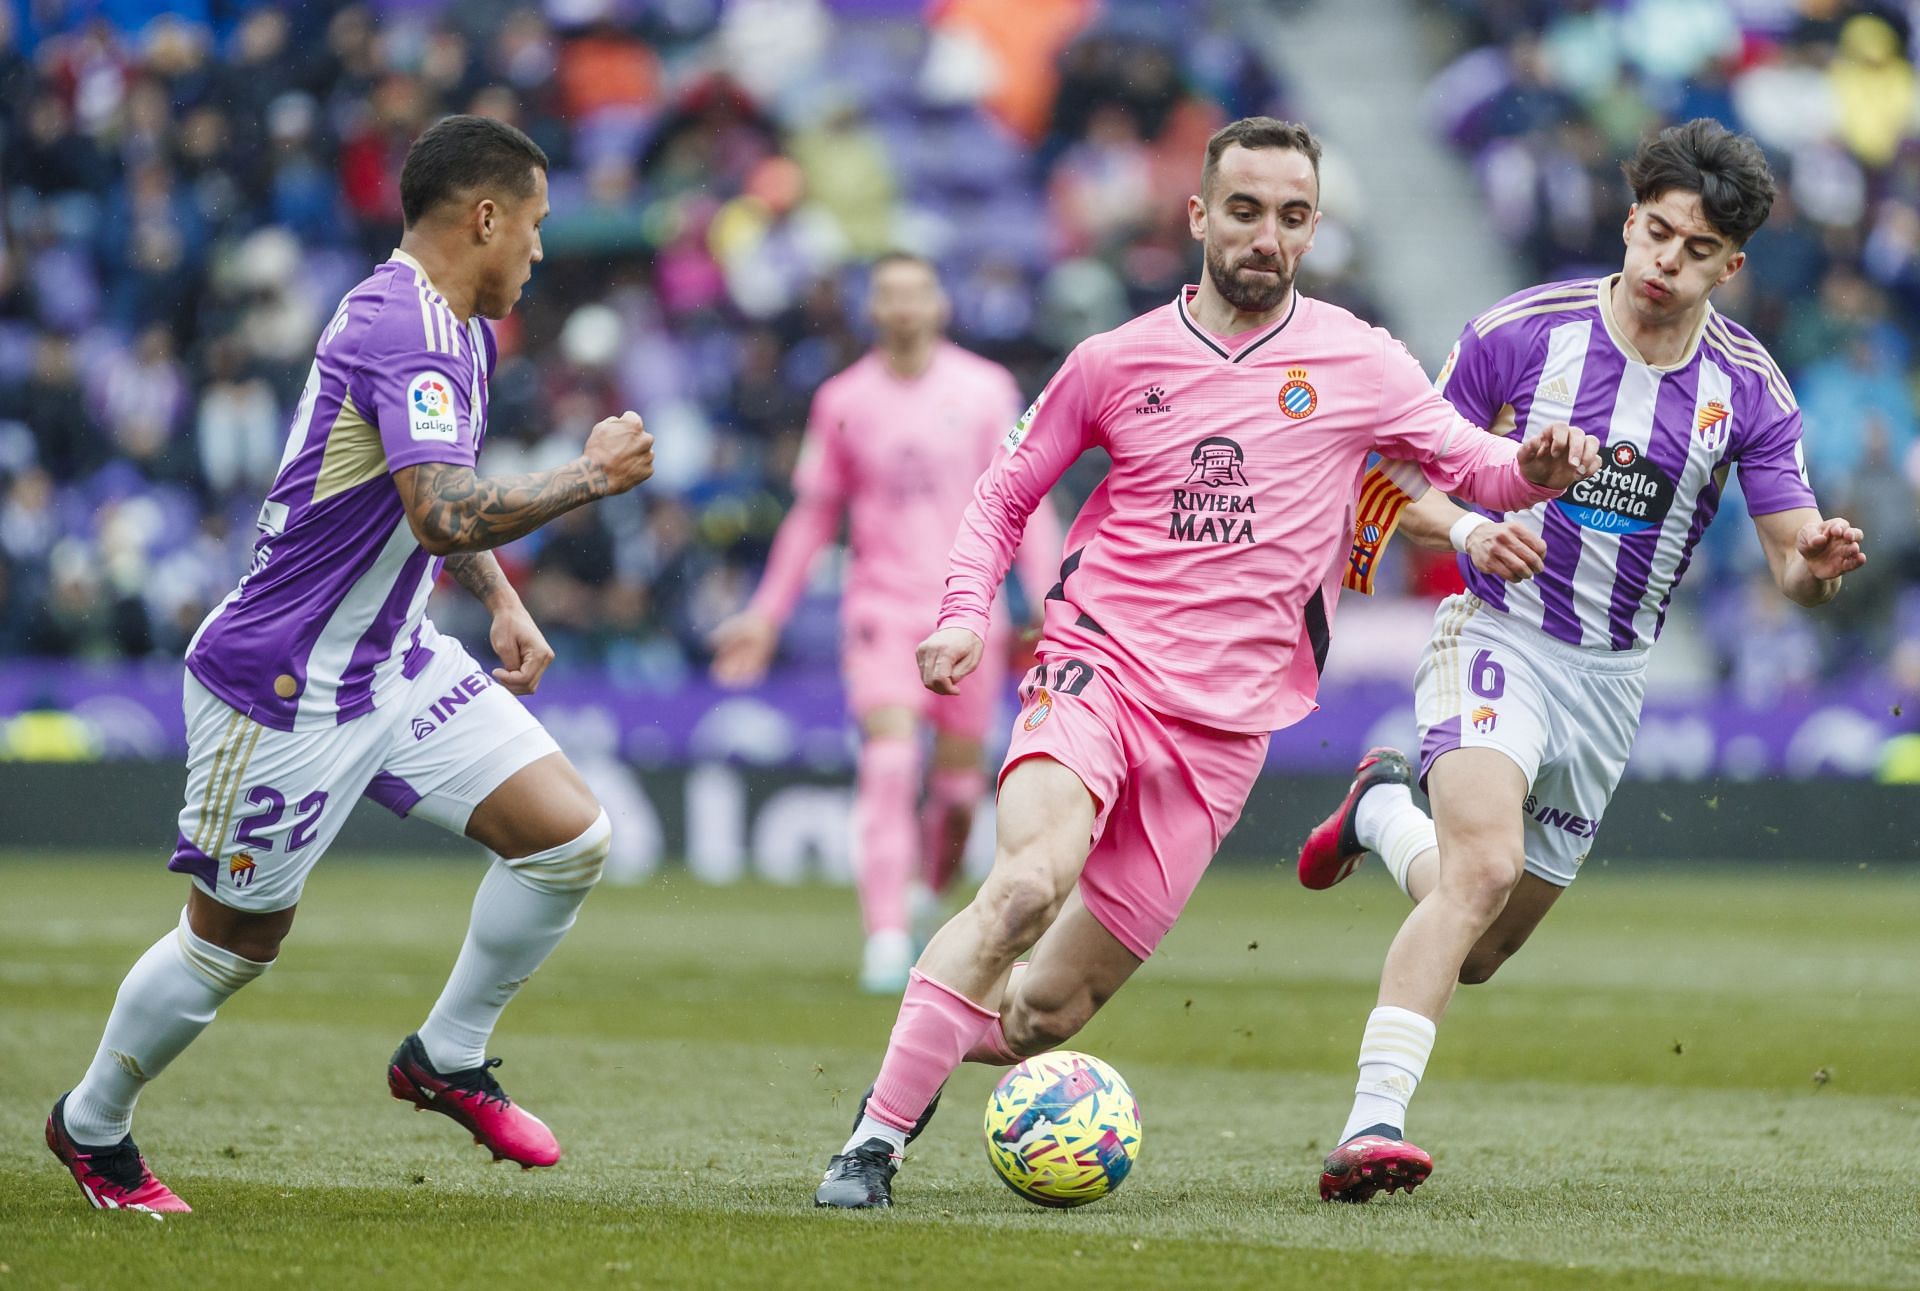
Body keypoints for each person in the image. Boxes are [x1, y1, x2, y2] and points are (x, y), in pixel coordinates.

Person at [811, 115, 1601, 1209]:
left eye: (1290, 216)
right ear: (1197, 215)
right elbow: (1004, 493)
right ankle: (874, 1143)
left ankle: (927, 1039)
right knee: (1026, 884)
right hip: (1098, 669)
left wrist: (1538, 465)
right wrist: (962, 611)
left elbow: (1477, 468)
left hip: (1222, 737)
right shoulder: (1113, 360)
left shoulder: (1360, 359)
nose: (1265, 236)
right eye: (1243, 210)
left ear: (1313, 228)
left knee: (1047, 1014)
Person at [45, 115, 658, 1214]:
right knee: (234, 944)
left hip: (392, 659)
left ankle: (446, 1055)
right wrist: (591, 476)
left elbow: (423, 501)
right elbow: (442, 511)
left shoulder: (460, 323)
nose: (541, 249)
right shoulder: (405, 326)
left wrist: (502, 600)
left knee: (568, 837)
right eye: (535, 224)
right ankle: (91, 1127)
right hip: (284, 685)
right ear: (485, 216)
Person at [1297, 119, 1867, 1202]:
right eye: (1656, 233)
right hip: (1497, 633)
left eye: (1697, 251)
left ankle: (1379, 810)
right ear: (1627, 219)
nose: (1666, 262)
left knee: (1479, 942)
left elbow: (1792, 560)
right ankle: (1371, 1123)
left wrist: (1819, 565)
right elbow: (1386, 479)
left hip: (1613, 679)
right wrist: (1469, 529)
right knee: (1484, 868)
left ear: (1731, 264)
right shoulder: (1521, 333)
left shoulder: (1750, 388)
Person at [709, 253, 1063, 994]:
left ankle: (925, 889)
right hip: (881, 608)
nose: (903, 308)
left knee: (961, 791)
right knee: (890, 761)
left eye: (916, 294)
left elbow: (1024, 502)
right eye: (890, 296)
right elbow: (814, 516)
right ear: (872, 310)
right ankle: (885, 935)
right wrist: (767, 615)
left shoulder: (986, 389)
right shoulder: (843, 399)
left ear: (940, 305)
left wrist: (1054, 599)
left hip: (970, 611)